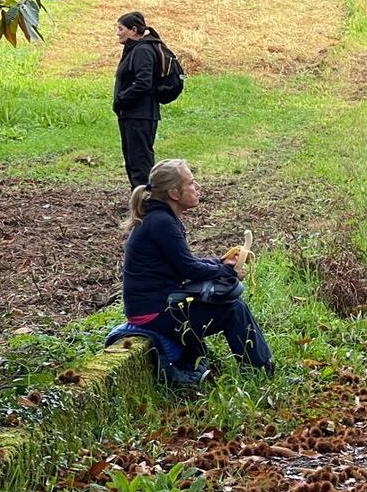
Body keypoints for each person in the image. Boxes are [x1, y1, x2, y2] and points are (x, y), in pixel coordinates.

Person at [116, 158, 272, 381]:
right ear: (174, 193)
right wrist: (227, 271)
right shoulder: (161, 222)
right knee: (233, 309)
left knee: (232, 305)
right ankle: (260, 373)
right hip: (153, 314)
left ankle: (259, 368)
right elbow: (189, 268)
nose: (197, 186)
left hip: (158, 307)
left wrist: (221, 263)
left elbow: (185, 263)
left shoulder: (160, 218)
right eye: (190, 182)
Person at [114, 11, 163, 189]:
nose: (117, 33)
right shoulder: (135, 49)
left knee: (140, 163)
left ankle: (148, 201)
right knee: (133, 161)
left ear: (133, 30)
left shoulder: (142, 50)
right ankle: (140, 200)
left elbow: (143, 83)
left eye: (121, 29)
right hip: (132, 114)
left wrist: (121, 99)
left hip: (140, 115)